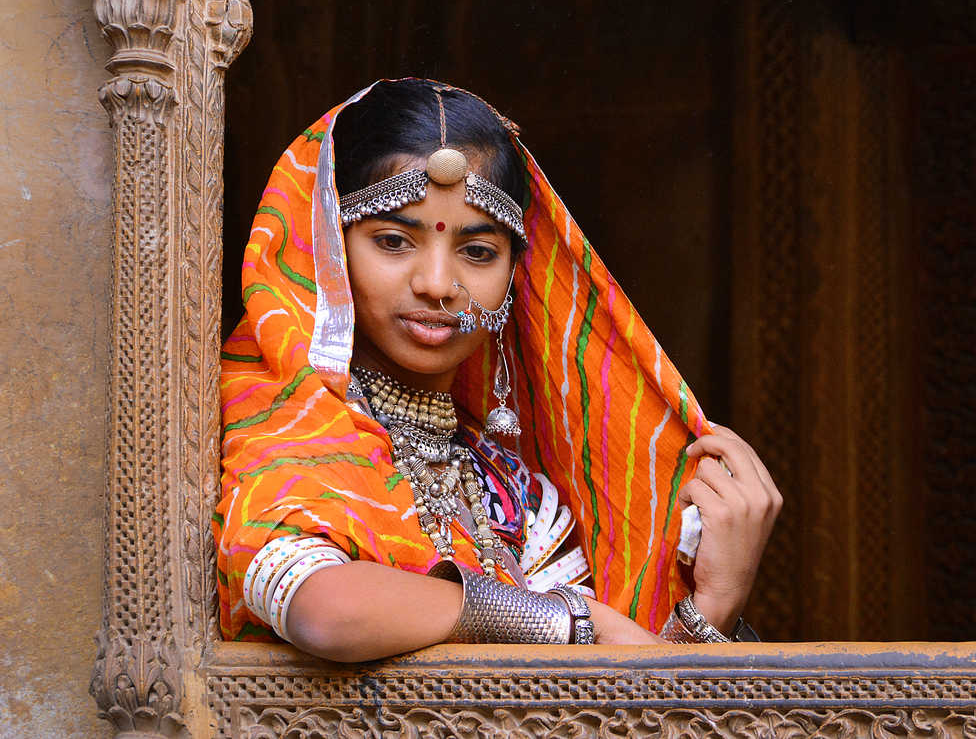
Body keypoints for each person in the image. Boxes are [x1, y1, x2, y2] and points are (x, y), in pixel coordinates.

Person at [214, 78, 780, 660]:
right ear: (327, 249)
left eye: (477, 252)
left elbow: (596, 706)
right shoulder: (282, 409)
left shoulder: (510, 493)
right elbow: (326, 610)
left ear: (515, 274)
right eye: (392, 241)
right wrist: (573, 619)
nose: (437, 284)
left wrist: (712, 607)